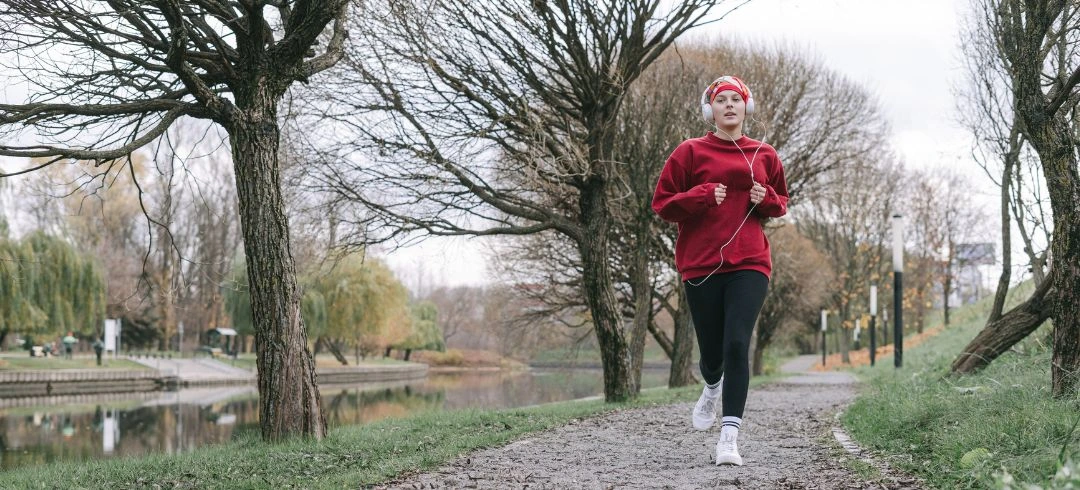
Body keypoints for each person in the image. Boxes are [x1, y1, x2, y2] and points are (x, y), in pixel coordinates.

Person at [651, 75, 789, 466]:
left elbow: (781, 203)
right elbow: (662, 204)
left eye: (735, 99)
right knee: (712, 353)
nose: (729, 105)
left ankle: (729, 438)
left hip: (750, 263)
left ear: (747, 107)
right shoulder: (689, 152)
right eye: (721, 100)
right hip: (701, 264)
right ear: (709, 109)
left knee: (736, 345)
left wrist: (766, 198)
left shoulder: (764, 154)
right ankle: (711, 385)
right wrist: (701, 195)